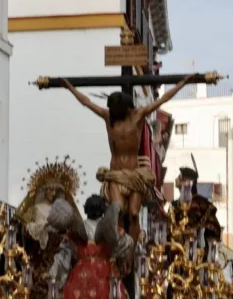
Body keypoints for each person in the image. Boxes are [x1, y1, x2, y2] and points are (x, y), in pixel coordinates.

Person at [60, 75, 201, 243]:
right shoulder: (108, 117)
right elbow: (87, 102)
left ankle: (132, 249)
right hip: (116, 175)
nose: (113, 111)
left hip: (134, 175)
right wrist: (70, 87)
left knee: (134, 214)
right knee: (118, 211)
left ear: (126, 108)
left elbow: (163, 99)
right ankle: (120, 247)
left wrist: (183, 83)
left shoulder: (138, 116)